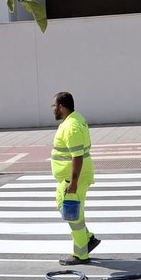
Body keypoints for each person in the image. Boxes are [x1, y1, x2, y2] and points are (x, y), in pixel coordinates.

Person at [50, 91, 100, 266]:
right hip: (70, 178)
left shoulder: (71, 127)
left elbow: (77, 157)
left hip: (74, 179)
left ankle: (80, 254)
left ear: (61, 107)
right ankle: (87, 239)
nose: (53, 109)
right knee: (66, 208)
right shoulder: (75, 118)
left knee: (74, 216)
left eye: (54, 106)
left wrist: (74, 183)